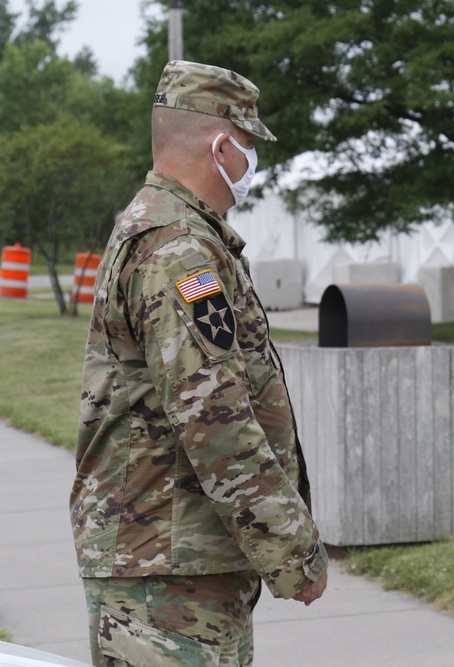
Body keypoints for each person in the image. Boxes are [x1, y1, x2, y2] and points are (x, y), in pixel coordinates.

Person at [70, 60, 329, 666]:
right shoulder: (177, 249)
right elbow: (215, 420)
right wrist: (293, 552)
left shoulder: (180, 234)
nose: (250, 164)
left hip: (173, 556)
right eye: (247, 146)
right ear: (220, 145)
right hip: (164, 568)